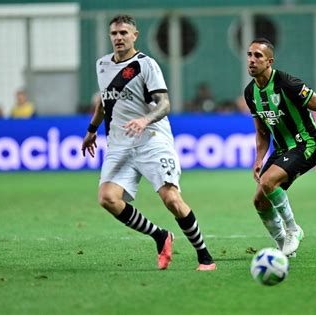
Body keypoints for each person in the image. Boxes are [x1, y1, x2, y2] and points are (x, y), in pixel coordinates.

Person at [81, 14, 216, 271]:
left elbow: (165, 104)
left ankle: (205, 256)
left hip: (152, 139)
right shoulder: (102, 65)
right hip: (120, 144)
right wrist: (91, 130)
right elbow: (104, 101)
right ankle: (160, 236)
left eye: (123, 33)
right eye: (114, 34)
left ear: (135, 35)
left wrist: (145, 120)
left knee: (171, 199)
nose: (118, 38)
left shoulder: (146, 65)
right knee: (107, 198)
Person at [243, 38, 316, 256]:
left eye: (257, 56)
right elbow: (261, 131)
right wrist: (259, 159)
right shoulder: (250, 93)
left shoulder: (288, 83)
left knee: (269, 182)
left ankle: (292, 230)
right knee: (259, 201)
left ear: (269, 61)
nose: (251, 60)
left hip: (307, 144)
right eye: (249, 55)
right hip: (281, 149)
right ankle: (283, 248)